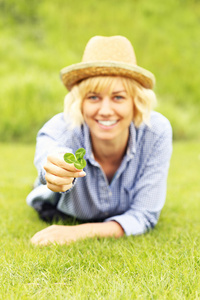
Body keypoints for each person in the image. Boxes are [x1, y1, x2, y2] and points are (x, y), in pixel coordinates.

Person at [27, 35, 173, 246]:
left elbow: (145, 214)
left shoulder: (156, 131)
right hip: (58, 208)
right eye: (93, 97)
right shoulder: (60, 128)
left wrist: (80, 232)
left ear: (136, 102)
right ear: (80, 103)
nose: (105, 111)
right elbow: (49, 155)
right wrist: (55, 168)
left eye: (118, 97)